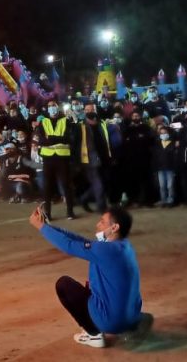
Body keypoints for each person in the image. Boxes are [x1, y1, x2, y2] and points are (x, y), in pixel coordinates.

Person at [29, 205, 151, 348]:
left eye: (102, 222)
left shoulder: (104, 249)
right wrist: (49, 227)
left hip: (112, 322)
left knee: (64, 285)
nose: (97, 225)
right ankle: (129, 326)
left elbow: (68, 245)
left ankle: (93, 334)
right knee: (93, 286)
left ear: (114, 228)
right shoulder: (123, 246)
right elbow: (80, 241)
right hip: (132, 318)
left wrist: (39, 226)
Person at [37, 99, 76, 220]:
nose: (51, 107)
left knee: (66, 185)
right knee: (47, 187)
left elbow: (69, 139)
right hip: (48, 158)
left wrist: (51, 139)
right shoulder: (43, 122)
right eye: (49, 106)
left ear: (57, 107)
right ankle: (47, 213)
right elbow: (42, 141)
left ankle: (70, 212)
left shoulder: (65, 121)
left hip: (62, 158)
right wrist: (59, 138)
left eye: (53, 105)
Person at [75, 103, 111, 213]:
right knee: (98, 183)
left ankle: (83, 199)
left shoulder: (102, 123)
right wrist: (77, 161)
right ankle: (102, 207)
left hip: (103, 158)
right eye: (87, 109)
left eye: (92, 109)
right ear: (84, 111)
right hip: (89, 159)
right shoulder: (80, 126)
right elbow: (76, 144)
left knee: (103, 183)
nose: (90, 111)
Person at [152, 125, 177, 207]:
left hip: (170, 167)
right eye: (161, 133)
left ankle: (170, 200)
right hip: (160, 168)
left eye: (165, 133)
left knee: (170, 185)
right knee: (162, 186)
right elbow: (155, 156)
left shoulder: (173, 143)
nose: (163, 134)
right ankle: (163, 200)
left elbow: (174, 156)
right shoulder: (157, 143)